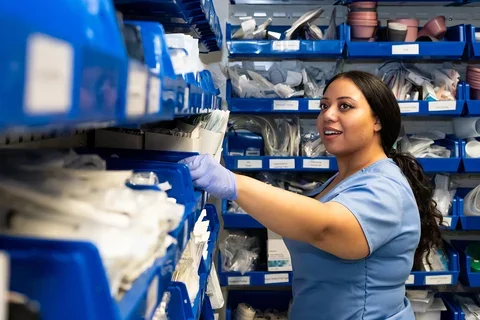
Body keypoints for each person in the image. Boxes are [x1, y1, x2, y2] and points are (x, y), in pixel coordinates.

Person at [180, 71, 444, 320]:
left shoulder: (385, 187)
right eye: (323, 106)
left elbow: (325, 228)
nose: (328, 115)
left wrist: (232, 183)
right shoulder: (340, 180)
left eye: (345, 106)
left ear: (377, 120)